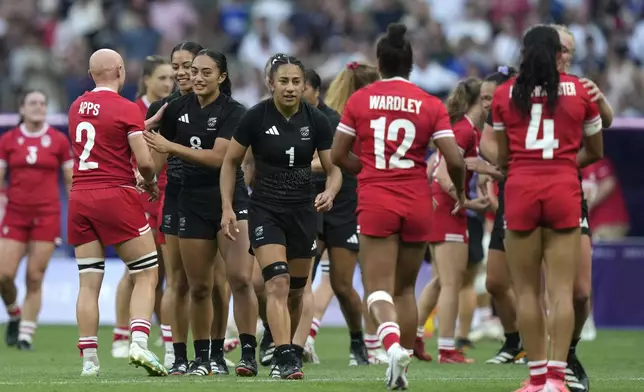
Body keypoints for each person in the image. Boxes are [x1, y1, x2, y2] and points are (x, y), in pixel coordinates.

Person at [330, 23, 466, 389]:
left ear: (380, 61)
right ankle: (401, 366)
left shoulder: (360, 100)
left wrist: (366, 170)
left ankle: (390, 348)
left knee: (377, 288)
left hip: (377, 199)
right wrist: (461, 189)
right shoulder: (431, 103)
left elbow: (338, 154)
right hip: (418, 201)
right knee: (405, 289)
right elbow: (454, 158)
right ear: (412, 63)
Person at [492, 25, 603, 392]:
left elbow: (502, 156)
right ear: (559, 54)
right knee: (560, 291)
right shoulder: (579, 91)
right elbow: (596, 151)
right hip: (563, 188)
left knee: (526, 291)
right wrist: (564, 161)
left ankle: (536, 377)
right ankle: (557, 377)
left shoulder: (505, 93)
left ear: (523, 54)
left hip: (521, 187)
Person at [220, 54, 342, 380]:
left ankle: (276, 340)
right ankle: (286, 357)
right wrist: (228, 207)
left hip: (303, 212)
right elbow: (231, 163)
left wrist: (330, 191)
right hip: (266, 211)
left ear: (305, 85)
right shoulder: (254, 118)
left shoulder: (316, 120)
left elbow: (334, 170)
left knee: (297, 291)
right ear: (271, 83)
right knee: (277, 282)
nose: (290, 88)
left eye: (296, 82)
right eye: (283, 81)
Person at [144, 49, 254, 376]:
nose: (197, 77)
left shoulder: (234, 111)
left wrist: (171, 147)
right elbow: (155, 153)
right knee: (198, 286)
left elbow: (220, 158)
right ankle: (201, 358)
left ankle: (246, 354)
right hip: (188, 201)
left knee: (239, 279)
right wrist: (146, 178)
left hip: (229, 200)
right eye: (194, 71)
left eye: (207, 72)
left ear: (222, 77)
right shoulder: (175, 108)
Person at [68, 48, 167, 377]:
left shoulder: (75, 107)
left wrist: (140, 124)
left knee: (88, 283)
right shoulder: (126, 108)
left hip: (80, 197)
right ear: (121, 71)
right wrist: (148, 182)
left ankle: (88, 361)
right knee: (147, 272)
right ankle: (139, 341)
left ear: (91, 72)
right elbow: (145, 162)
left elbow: (103, 135)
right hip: (115, 195)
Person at [302, 65, 379, 366]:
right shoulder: (295, 119)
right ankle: (294, 343)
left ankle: (358, 343)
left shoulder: (334, 120)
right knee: (303, 279)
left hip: (344, 201)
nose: (294, 90)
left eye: (300, 84)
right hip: (312, 201)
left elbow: (337, 161)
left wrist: (291, 165)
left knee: (342, 284)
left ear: (316, 90)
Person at [139, 41, 203, 375]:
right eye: (174, 67)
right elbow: (154, 161)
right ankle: (175, 353)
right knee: (172, 279)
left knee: (213, 282)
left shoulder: (223, 108)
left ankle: (211, 353)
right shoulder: (166, 108)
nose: (179, 73)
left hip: (213, 198)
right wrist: (145, 175)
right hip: (173, 196)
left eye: (185, 66)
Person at [112, 55, 174, 367]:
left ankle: (168, 336)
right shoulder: (133, 110)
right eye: (162, 77)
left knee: (165, 271)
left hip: (169, 192)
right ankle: (122, 335)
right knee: (137, 269)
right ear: (147, 80)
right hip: (141, 192)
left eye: (171, 78)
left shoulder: (175, 110)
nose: (168, 83)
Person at [425, 77, 492, 364]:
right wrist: (463, 198)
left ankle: (413, 337)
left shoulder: (465, 130)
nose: (492, 105)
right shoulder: (464, 131)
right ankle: (447, 349)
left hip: (446, 208)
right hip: (448, 211)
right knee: (452, 283)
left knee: (442, 281)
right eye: (488, 99)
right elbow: (440, 174)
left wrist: (472, 198)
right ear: (480, 102)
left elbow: (436, 169)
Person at [0, 90, 73, 350]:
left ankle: (25, 336)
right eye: (33, 103)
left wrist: (76, 208)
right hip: (15, 215)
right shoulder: (8, 140)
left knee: (34, 276)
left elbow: (69, 180)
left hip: (47, 214)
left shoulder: (58, 141)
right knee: (4, 275)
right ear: (21, 109)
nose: (39, 107)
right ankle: (13, 313)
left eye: (43, 103)